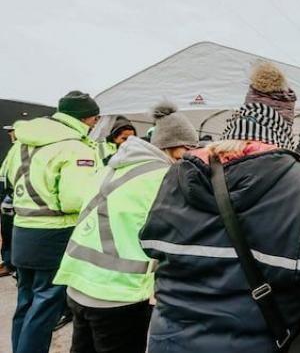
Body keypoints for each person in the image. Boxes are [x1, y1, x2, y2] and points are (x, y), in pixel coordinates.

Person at [140, 62, 300, 352]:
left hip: (173, 342)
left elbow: (150, 243)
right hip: (263, 340)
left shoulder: (179, 173)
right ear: (284, 129)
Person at [53, 102, 197, 353]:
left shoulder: (115, 164)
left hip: (79, 283)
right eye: (189, 147)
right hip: (117, 293)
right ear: (175, 147)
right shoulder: (163, 177)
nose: (191, 155)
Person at [4, 91, 101, 353]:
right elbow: (74, 200)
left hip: (22, 228)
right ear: (88, 118)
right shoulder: (76, 147)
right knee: (46, 304)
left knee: (26, 301)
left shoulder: (21, 141)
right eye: (95, 119)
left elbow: (7, 179)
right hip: (55, 232)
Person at [0, 124, 18, 277]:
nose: (10, 134)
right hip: (6, 195)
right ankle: (8, 262)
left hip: (15, 195)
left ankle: (13, 264)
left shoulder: (22, 149)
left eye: (13, 131)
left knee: (12, 232)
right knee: (6, 231)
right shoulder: (14, 149)